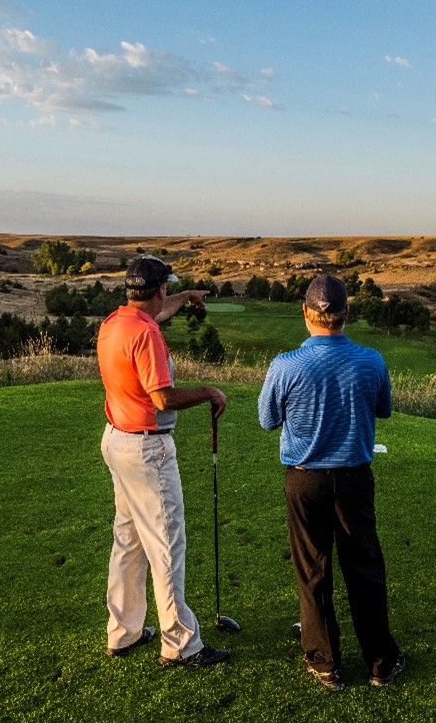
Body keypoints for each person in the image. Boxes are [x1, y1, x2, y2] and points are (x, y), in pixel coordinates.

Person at [257, 274, 405, 691]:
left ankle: (324, 663)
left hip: (304, 481)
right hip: (355, 478)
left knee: (313, 570)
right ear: (346, 313)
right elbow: (384, 410)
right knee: (365, 568)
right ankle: (380, 662)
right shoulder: (371, 360)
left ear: (306, 312)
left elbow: (267, 420)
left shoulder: (285, 365)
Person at [97, 255, 230, 668]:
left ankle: (123, 632)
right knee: (167, 543)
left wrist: (186, 295)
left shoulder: (115, 322)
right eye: (167, 289)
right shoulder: (147, 336)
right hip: (147, 450)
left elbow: (157, 313)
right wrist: (209, 391)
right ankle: (180, 643)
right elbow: (164, 398)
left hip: (116, 441)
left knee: (129, 541)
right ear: (158, 290)